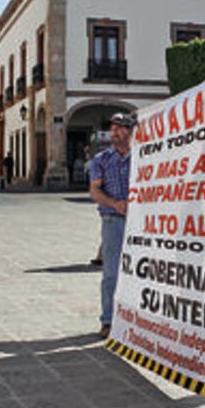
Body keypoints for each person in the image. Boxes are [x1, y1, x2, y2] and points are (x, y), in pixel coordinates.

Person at [89, 113, 134, 339]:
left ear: (130, 131)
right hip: (112, 221)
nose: (114, 132)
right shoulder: (101, 160)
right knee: (111, 273)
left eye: (120, 128)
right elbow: (95, 191)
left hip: (141, 224)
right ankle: (108, 321)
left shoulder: (144, 157)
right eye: (113, 127)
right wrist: (115, 204)